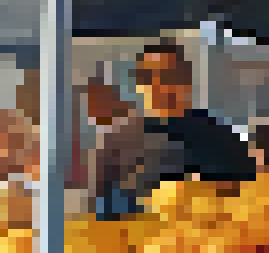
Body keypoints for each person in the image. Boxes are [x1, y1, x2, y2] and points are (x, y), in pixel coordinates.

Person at [86, 41, 253, 219]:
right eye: (148, 79)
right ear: (138, 86)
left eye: (168, 77)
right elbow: (104, 212)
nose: (158, 88)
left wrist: (199, 193)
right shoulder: (118, 142)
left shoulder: (221, 136)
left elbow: (249, 191)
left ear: (186, 81)